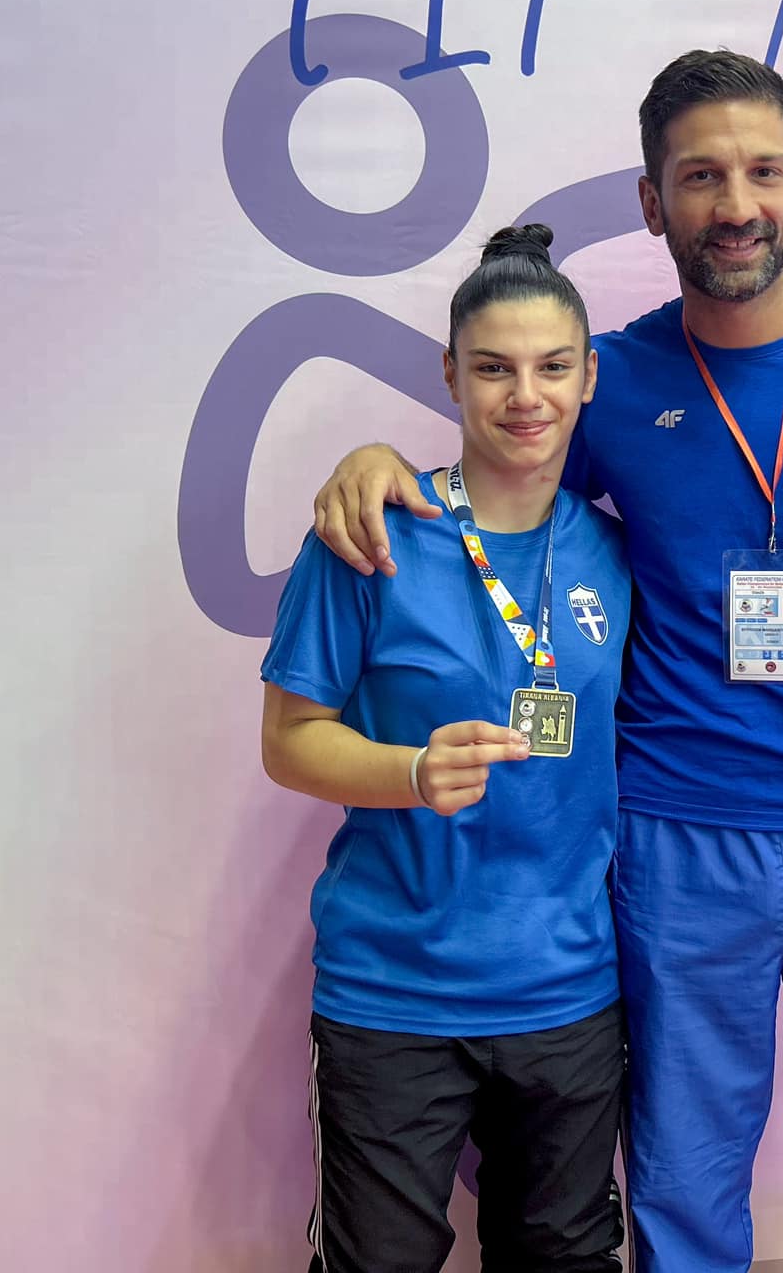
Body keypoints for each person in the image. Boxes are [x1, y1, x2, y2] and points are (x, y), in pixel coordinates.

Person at [312, 51, 783, 1272]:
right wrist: (376, 460)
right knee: (681, 1203)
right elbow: (502, 479)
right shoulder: (613, 381)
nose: (735, 204)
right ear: (653, 203)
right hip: (677, 837)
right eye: (700, 177)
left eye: (761, 172)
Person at [260, 224, 630, 1273]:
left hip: (567, 991)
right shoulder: (369, 537)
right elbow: (289, 742)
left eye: (553, 367)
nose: (526, 396)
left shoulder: (617, 550)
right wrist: (410, 772)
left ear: (587, 377)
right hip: (393, 993)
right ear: (451, 376)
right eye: (494, 368)